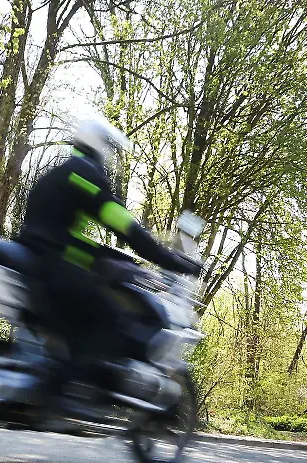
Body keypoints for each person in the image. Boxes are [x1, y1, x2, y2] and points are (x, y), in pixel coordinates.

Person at [18, 117, 200, 415]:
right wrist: (172, 260)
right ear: (100, 145)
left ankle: (53, 381)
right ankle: (55, 395)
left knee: (72, 324)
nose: (111, 159)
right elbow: (127, 228)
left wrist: (112, 258)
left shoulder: (61, 174)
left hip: (38, 259)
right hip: (54, 265)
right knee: (108, 321)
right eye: (110, 150)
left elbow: (61, 232)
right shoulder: (85, 174)